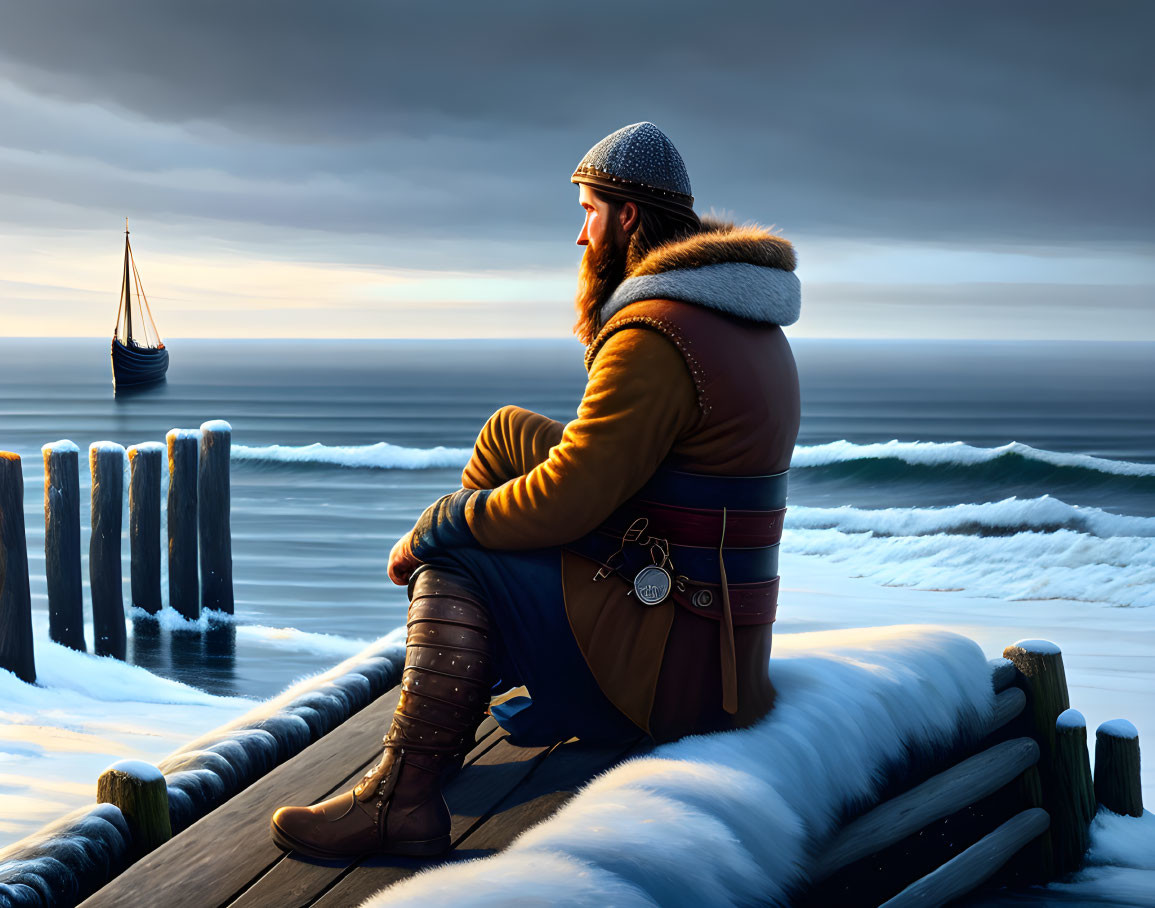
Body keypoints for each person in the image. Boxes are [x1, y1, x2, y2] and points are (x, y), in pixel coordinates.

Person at [270, 121, 802, 859]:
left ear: (626, 216)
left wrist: (438, 525)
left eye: (587, 211)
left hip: (672, 667)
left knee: (458, 562)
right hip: (715, 649)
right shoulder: (734, 320)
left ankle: (403, 799)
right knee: (506, 432)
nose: (580, 237)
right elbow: (620, 474)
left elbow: (567, 502)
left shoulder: (656, 335)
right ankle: (456, 699)